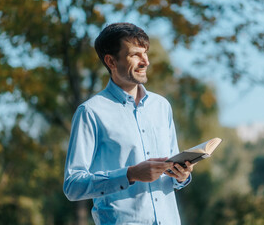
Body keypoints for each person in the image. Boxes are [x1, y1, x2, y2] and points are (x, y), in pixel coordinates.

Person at [63, 22, 194, 225]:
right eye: (135, 55)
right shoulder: (90, 112)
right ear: (111, 61)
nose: (145, 61)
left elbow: (173, 177)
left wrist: (181, 176)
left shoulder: (162, 107)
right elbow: (73, 186)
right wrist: (130, 174)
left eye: (146, 53)